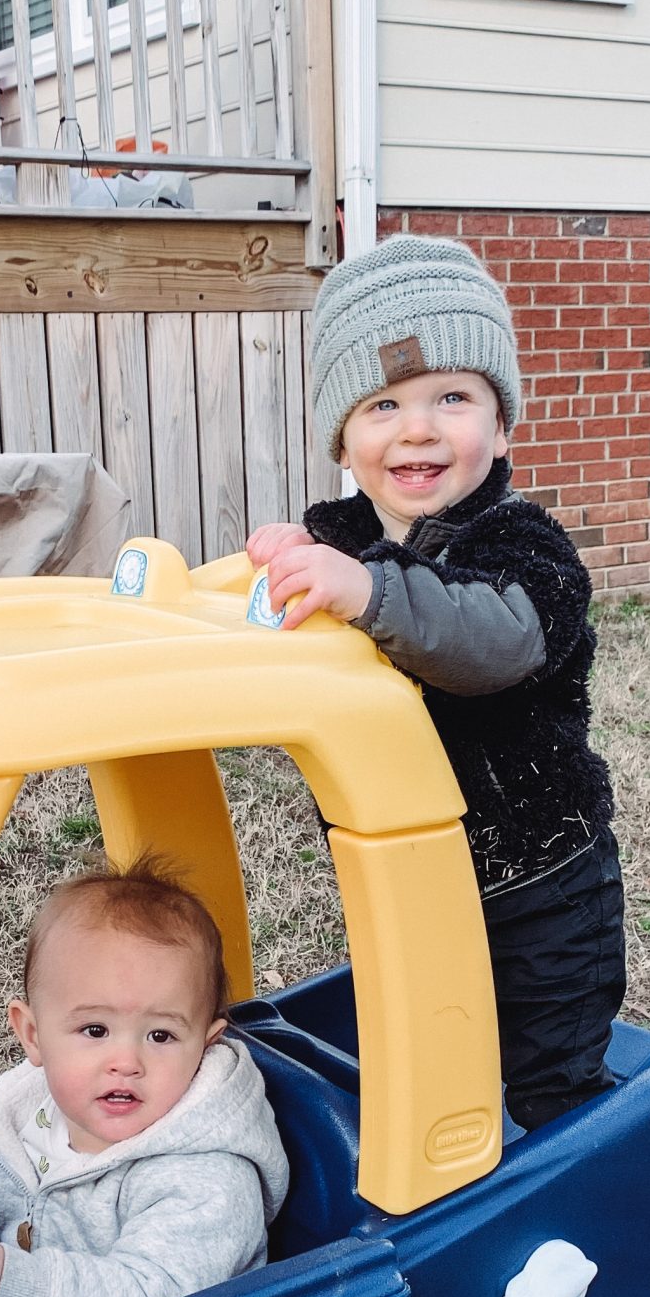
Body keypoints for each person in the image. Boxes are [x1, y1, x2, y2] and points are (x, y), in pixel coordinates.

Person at [247, 232, 625, 1132]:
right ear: (345, 437)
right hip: (409, 880)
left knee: (548, 1076)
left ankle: (582, 1196)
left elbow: (488, 640)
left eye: (451, 397)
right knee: (427, 1054)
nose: (417, 428)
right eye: (383, 404)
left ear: (501, 425)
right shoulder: (336, 539)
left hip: (543, 884)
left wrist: (367, 591)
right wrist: (287, 567)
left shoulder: (526, 548)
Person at [0, 856, 289, 1297]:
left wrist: (6, 1282)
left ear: (206, 1045)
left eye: (161, 1035)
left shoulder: (208, 1180)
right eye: (95, 1031)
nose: (126, 1062)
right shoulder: (33, 1121)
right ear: (33, 1036)